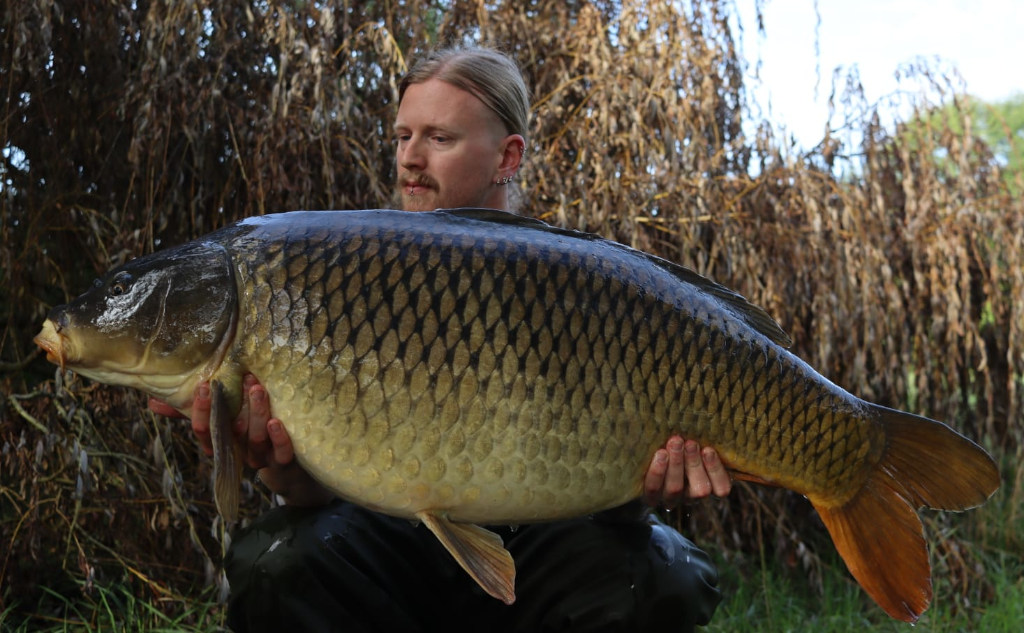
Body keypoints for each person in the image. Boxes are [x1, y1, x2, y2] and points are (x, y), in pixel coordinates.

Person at [151, 46, 731, 632]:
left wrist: (650, 488)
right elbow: (316, 494)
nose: (409, 159)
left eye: (439, 138)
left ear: (508, 156)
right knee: (276, 564)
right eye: (402, 136)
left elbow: (610, 481)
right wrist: (270, 462)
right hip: (395, 541)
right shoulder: (346, 273)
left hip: (545, 542)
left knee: (664, 574)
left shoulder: (578, 286)